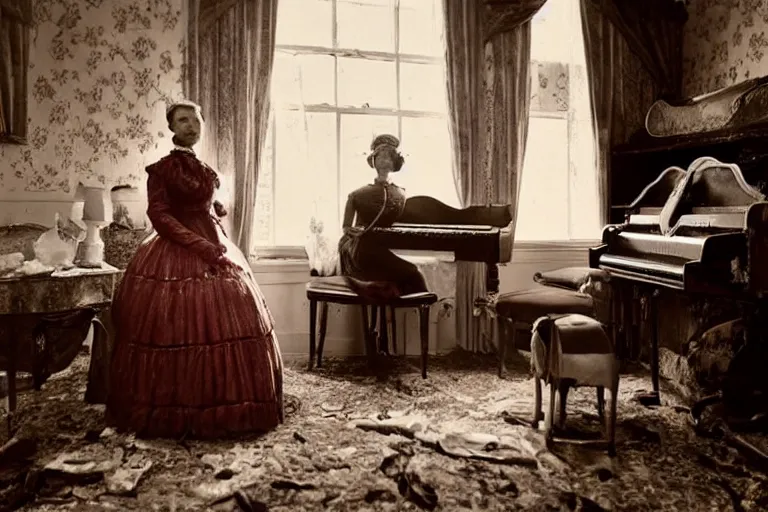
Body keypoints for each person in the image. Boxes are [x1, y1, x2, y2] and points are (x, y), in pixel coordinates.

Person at [106, 100, 284, 439]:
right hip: (176, 250)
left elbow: (203, 202)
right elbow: (160, 215)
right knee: (175, 326)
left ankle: (230, 404)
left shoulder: (203, 167)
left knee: (230, 319)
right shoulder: (161, 169)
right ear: (172, 128)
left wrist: (214, 208)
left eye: (195, 120)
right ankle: (178, 409)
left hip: (213, 242)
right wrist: (199, 244)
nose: (190, 126)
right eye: (182, 120)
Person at [338, 134, 428, 300]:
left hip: (382, 248)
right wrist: (354, 233)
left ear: (395, 162)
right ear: (374, 161)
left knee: (414, 275)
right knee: (414, 274)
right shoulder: (357, 195)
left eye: (389, 156)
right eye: (380, 156)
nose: (385, 160)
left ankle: (417, 308)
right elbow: (347, 230)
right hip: (363, 251)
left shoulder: (401, 194)